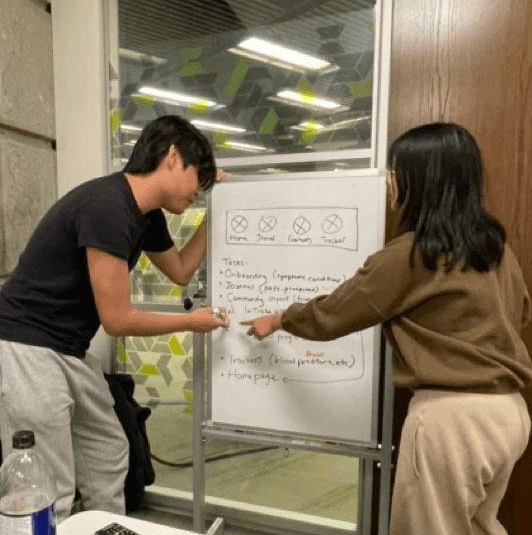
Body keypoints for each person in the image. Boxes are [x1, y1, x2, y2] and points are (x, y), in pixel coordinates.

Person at [241, 122, 532, 535]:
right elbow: (520, 314)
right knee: (479, 524)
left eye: (394, 173)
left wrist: (279, 318)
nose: (390, 185)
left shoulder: (413, 254)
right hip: (510, 414)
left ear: (419, 180)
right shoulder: (496, 249)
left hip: (454, 421)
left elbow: (338, 311)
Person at [0, 115, 229, 523]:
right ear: (173, 157)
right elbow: (117, 320)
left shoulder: (147, 215)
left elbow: (180, 270)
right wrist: (191, 323)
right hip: (26, 345)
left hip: (68, 347)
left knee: (109, 451)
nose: (200, 190)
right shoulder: (107, 206)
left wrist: (218, 212)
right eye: (200, 177)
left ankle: (107, 530)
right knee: (53, 485)